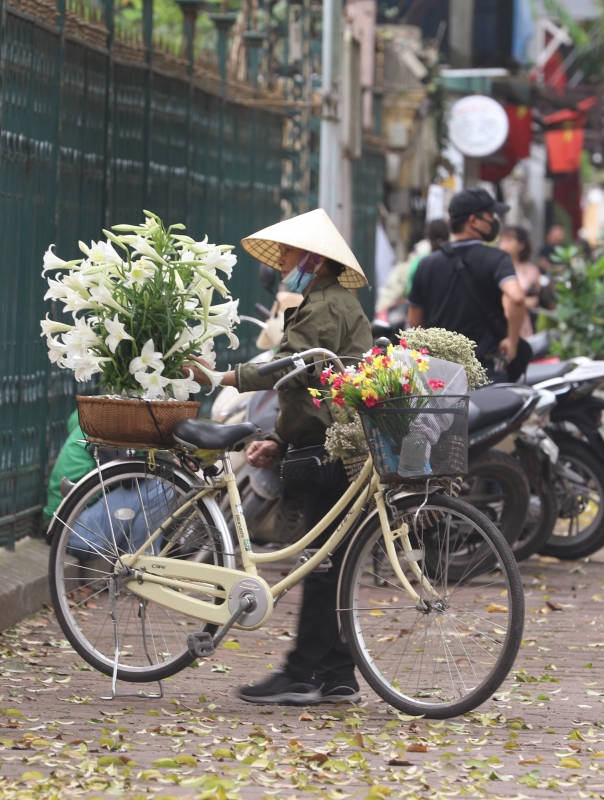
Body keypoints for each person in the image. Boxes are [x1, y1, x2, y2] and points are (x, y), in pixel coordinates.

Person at [183, 208, 372, 705]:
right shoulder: (330, 302)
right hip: (332, 442)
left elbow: (291, 370)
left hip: (331, 452)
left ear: (313, 258)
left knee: (318, 564)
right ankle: (336, 673)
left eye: (289, 253)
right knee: (330, 563)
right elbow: (313, 392)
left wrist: (222, 377)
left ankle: (302, 673)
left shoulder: (323, 307)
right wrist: (281, 440)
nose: (283, 261)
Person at [404, 188, 528, 383]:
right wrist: (511, 341)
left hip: (440, 375)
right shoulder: (497, 259)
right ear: (473, 221)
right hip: (485, 371)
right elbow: (517, 297)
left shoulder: (426, 264)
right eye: (490, 216)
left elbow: (415, 322)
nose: (494, 222)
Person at [498, 226, 541, 338]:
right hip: (498, 321)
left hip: (521, 322)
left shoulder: (531, 271)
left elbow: (535, 298)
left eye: (509, 240)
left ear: (521, 245)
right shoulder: (495, 268)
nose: (504, 245)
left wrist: (520, 302)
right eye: (502, 241)